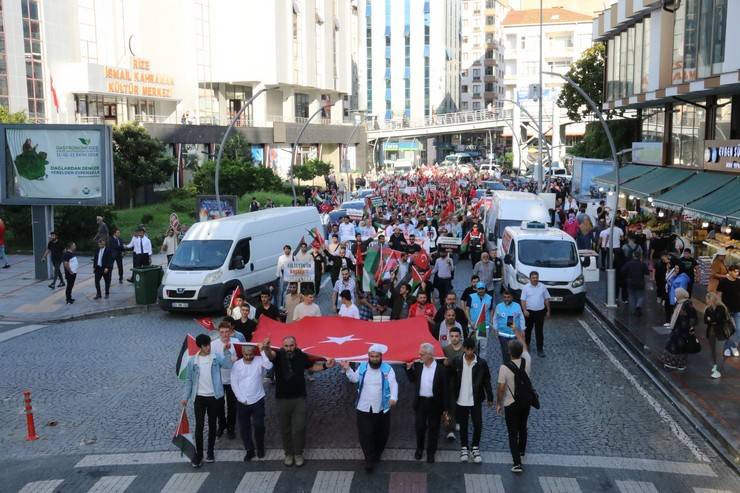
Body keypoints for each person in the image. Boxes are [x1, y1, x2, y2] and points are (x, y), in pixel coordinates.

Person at [262, 336, 335, 467]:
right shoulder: (278, 355)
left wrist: (325, 366)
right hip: (282, 399)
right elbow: (270, 355)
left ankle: (298, 453)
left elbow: (311, 367)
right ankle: (288, 454)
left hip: (299, 398)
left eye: (291, 345)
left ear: (296, 345)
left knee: (299, 428)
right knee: (285, 429)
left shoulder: (301, 355)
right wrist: (266, 348)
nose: (289, 348)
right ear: (282, 346)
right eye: (286, 346)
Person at [340, 344, 398, 472]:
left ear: (381, 357)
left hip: (382, 407)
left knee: (381, 433)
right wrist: (348, 369)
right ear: (368, 357)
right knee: (365, 433)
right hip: (364, 407)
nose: (374, 359)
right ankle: (369, 459)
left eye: (377, 356)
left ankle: (377, 453)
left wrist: (394, 397)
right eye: (372, 356)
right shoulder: (362, 367)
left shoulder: (388, 369)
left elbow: (394, 384)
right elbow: (354, 379)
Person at [180, 333, 234, 468]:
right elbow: (189, 380)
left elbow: (228, 365)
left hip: (214, 397)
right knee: (199, 426)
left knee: (212, 425)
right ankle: (199, 454)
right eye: (205, 346)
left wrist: (227, 351)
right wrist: (185, 397)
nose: (208, 347)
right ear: (200, 346)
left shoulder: (215, 358)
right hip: (199, 398)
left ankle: (210, 451)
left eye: (209, 344)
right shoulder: (193, 361)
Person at [451, 337, 494, 463]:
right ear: (464, 348)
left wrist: (490, 396)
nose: (469, 352)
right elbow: (452, 379)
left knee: (478, 424)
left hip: (475, 399)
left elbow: (487, 380)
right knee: (463, 425)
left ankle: (475, 447)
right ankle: (464, 447)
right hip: (461, 399)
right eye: (467, 349)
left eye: (471, 349)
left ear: (474, 349)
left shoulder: (481, 363)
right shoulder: (457, 361)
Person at [496, 329, 532, 473]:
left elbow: (501, 388)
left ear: (509, 353)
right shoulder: (527, 361)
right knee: (523, 426)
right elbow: (525, 346)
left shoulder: (504, 368)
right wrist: (516, 330)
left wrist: (499, 403)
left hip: (511, 403)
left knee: (512, 433)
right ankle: (522, 450)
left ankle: (517, 463)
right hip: (526, 401)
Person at [405, 343, 448, 464]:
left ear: (430, 355)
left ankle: (431, 452)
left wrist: (445, 408)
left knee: (434, 429)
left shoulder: (441, 370)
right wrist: (408, 369)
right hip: (421, 402)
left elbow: (445, 390)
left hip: (435, 403)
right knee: (419, 427)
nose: (419, 356)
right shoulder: (418, 366)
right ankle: (419, 449)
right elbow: (413, 379)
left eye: (421, 354)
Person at [231, 340, 273, 461]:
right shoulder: (237, 365)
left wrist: (262, 352)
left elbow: (269, 366)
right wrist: (241, 398)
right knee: (244, 427)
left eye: (251, 354)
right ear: (243, 353)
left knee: (259, 425)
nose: (248, 357)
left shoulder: (260, 360)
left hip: (258, 399)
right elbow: (234, 383)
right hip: (242, 402)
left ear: (254, 353)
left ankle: (260, 447)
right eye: (246, 355)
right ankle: (249, 449)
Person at [211, 322, 240, 440]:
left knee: (232, 406)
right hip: (219, 380)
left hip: (233, 379)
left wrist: (236, 359)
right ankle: (221, 425)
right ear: (219, 332)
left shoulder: (236, 342)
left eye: (226, 332)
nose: (224, 335)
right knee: (219, 405)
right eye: (222, 332)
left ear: (230, 332)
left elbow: (242, 357)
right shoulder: (213, 345)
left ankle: (231, 428)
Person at [659, 288, 698, 371]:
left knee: (677, 346)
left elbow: (693, 318)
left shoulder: (687, 305)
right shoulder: (680, 303)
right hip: (678, 329)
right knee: (678, 346)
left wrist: (690, 326)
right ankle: (679, 364)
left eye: (676, 295)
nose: (675, 296)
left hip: (682, 330)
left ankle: (674, 364)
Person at [704, 292, 732, 379]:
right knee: (713, 352)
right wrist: (711, 319)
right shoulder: (708, 309)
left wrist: (711, 319)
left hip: (720, 334)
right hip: (711, 333)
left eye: (708, 300)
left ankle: (719, 371)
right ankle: (716, 365)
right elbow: (706, 320)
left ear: (713, 300)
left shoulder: (721, 308)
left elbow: (718, 319)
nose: (707, 302)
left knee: (719, 352)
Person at [492, 290, 526, 364]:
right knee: (505, 351)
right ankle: (506, 365)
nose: (506, 299)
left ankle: (515, 365)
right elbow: (495, 318)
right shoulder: (499, 306)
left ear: (512, 298)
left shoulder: (517, 306)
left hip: (514, 334)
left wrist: (523, 329)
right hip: (503, 334)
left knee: (514, 352)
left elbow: (521, 317)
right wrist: (495, 328)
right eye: (504, 297)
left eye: (508, 297)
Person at [717, 264, 740, 358]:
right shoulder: (723, 282)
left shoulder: (739, 281)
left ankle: (733, 346)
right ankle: (727, 348)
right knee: (728, 330)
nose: (737, 273)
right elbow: (719, 295)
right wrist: (720, 308)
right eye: (735, 271)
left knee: (739, 329)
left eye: (738, 271)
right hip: (727, 310)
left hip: (738, 310)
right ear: (730, 271)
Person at [465, 282, 493, 352]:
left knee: (483, 346)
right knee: (473, 345)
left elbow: (491, 309)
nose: (481, 290)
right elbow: (467, 310)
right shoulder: (471, 297)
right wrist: (470, 322)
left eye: (482, 288)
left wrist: (491, 321)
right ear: (476, 289)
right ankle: (474, 361)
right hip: (473, 325)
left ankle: (482, 362)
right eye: (479, 289)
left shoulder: (490, 298)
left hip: (483, 326)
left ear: (485, 289)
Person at [621, 252, 648, 316]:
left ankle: (633, 310)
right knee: (640, 295)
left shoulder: (629, 264)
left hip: (631, 282)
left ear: (633, 256)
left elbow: (622, 271)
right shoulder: (642, 264)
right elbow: (647, 272)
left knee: (631, 296)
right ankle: (638, 306)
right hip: (640, 282)